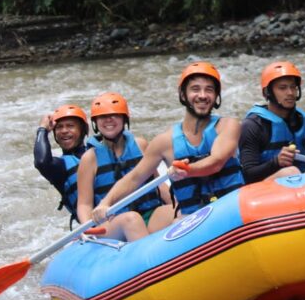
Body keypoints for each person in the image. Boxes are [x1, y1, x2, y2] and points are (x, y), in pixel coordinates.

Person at [90, 61, 244, 225]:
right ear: (183, 95)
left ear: (216, 96)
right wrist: (106, 202)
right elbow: (134, 178)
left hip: (233, 210)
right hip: (194, 221)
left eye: (209, 90)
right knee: (176, 222)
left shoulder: (228, 126)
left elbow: (216, 162)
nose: (203, 95)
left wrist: (187, 170)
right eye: (195, 89)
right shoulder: (164, 142)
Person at [74, 92, 171, 242]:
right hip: (114, 223)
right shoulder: (90, 158)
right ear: (95, 122)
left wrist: (178, 203)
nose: (108, 120)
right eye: (102, 117)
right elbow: (84, 204)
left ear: (124, 119)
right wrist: (89, 229)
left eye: (115, 115)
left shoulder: (140, 145)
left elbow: (158, 184)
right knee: (131, 220)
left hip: (148, 214)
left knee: (178, 211)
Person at [239, 60, 305, 183]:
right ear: (267, 92)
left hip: (295, 182)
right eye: (282, 88)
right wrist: (276, 162)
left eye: (293, 87)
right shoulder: (252, 125)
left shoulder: (302, 119)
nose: (290, 93)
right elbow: (247, 175)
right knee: (291, 172)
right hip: (261, 188)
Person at [33, 104, 90, 225]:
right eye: (59, 127)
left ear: (84, 130)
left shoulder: (100, 152)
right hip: (93, 226)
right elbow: (41, 161)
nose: (64, 131)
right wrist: (42, 130)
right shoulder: (60, 167)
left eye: (70, 126)